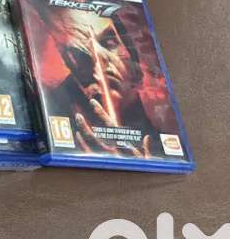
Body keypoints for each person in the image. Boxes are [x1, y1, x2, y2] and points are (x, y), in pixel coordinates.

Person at [42, 9, 159, 158]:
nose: (98, 61)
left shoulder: (165, 142)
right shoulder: (55, 108)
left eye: (110, 43)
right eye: (78, 54)